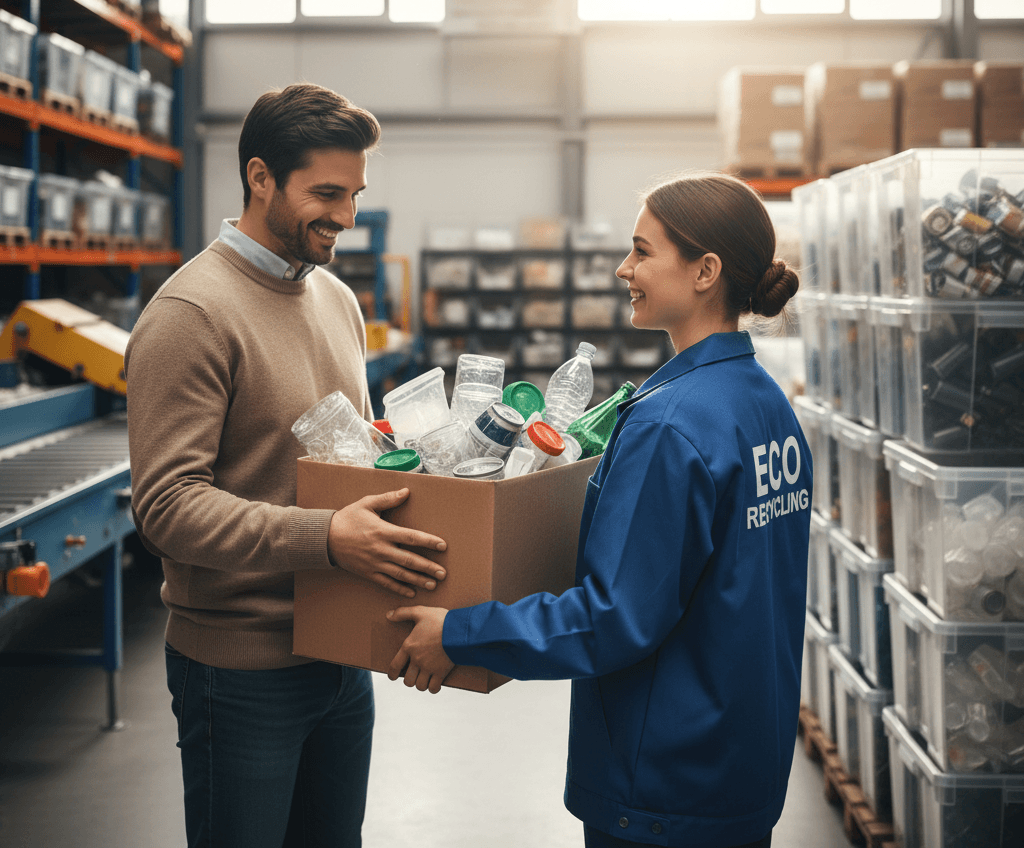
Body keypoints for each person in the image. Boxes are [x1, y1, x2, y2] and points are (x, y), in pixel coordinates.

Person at [387, 172, 811, 848]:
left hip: (664, 782)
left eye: (642, 251)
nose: (624, 269)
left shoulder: (672, 424)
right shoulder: (765, 406)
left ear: (705, 271)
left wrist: (460, 633)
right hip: (738, 762)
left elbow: (613, 619)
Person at [125, 83, 448, 848]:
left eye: (355, 194)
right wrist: (327, 537)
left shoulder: (336, 299)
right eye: (327, 193)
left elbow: (353, 459)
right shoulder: (192, 314)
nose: (346, 216)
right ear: (261, 178)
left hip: (342, 652)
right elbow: (167, 508)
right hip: (239, 670)